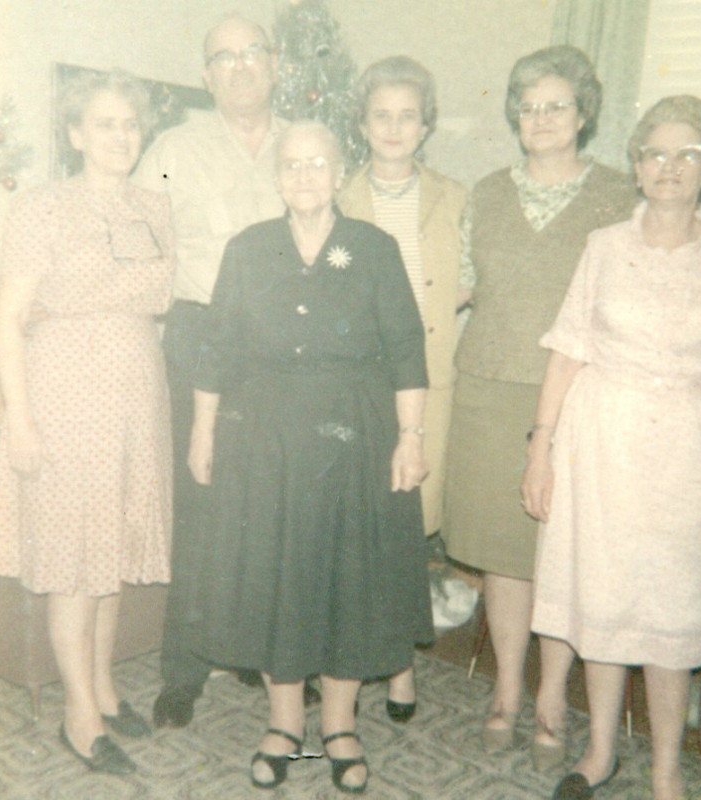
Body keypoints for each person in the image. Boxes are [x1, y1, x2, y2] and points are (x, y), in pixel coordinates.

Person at [186, 120, 434, 794]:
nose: (304, 175)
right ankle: (284, 724)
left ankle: (339, 725)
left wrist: (411, 436)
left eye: (317, 163)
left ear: (339, 172)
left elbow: (406, 347)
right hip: (263, 439)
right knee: (275, 577)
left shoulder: (373, 248)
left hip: (354, 435)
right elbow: (216, 346)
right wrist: (203, 431)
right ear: (277, 177)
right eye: (291, 164)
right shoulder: (247, 248)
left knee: (347, 577)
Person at [441, 45, 636, 768]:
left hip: (579, 396)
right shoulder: (487, 193)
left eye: (558, 105)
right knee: (504, 551)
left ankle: (552, 697)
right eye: (529, 107)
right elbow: (454, 285)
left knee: (561, 552)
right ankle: (506, 691)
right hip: (489, 390)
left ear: (584, 115)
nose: (543, 118)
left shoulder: (619, 196)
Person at [522, 94, 701, 800]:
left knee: (673, 608)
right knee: (603, 598)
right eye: (654, 153)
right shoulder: (604, 246)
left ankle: (666, 768)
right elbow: (567, 349)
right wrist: (540, 449)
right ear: (636, 167)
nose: (669, 167)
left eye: (687, 154)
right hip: (601, 444)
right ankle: (601, 751)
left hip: (687, 454)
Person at [0, 70, 175, 774]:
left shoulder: (155, 206)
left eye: (130, 124)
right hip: (66, 395)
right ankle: (78, 714)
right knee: (75, 556)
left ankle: (104, 688)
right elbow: (8, 320)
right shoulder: (42, 208)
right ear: (75, 135)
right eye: (103, 124)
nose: (120, 136)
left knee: (112, 549)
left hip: (137, 396)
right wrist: (21, 421)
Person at [133, 13, 294, 727]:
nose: (239, 66)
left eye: (251, 52)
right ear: (206, 76)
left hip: (287, 345)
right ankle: (184, 671)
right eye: (223, 57)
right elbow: (136, 234)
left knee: (277, 506)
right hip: (200, 333)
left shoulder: (305, 146)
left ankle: (266, 654)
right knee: (199, 507)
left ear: (275, 63)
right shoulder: (174, 149)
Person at [339, 55, 468, 723]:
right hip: (357, 386)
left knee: (408, 527)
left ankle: (398, 665)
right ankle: (345, 654)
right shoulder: (338, 196)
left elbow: (469, 282)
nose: (393, 127)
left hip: (430, 384)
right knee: (354, 523)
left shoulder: (454, 197)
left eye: (407, 115)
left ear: (425, 125)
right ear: (362, 124)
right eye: (380, 115)